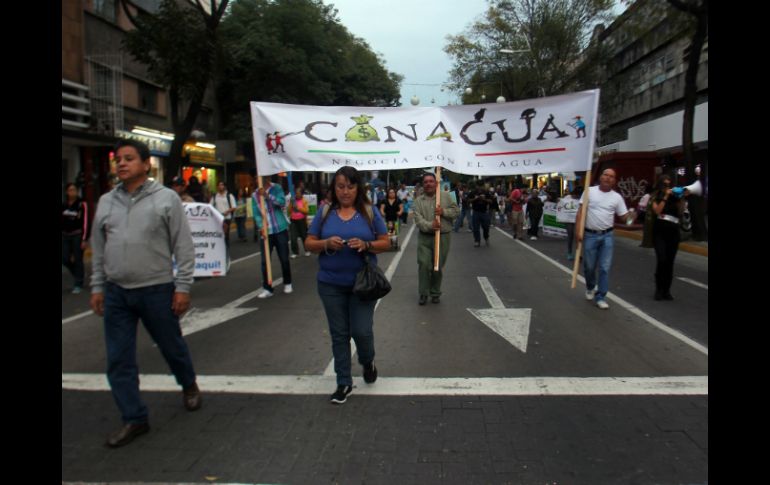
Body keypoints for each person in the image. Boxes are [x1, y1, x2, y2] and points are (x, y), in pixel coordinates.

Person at [89, 139, 201, 448]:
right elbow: (98, 248)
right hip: (116, 293)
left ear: (145, 164)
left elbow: (183, 245)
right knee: (118, 359)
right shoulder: (106, 202)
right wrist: (97, 286)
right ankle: (134, 417)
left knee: (171, 346)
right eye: (118, 159)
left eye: (128, 158)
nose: (121, 164)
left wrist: (182, 287)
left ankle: (188, 384)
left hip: (156, 289)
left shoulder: (166, 199)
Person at [304, 166, 390, 404]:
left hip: (363, 285)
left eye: (350, 186)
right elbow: (308, 243)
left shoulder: (369, 212)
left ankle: (367, 360)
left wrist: (366, 245)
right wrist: (325, 243)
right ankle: (343, 382)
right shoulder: (324, 212)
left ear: (357, 188)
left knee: (361, 331)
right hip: (330, 284)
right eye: (340, 186)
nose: (345, 191)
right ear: (334, 187)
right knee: (339, 334)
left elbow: (385, 242)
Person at [576, 168, 632, 310]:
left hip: (607, 236)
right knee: (589, 266)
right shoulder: (589, 191)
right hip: (590, 235)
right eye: (606, 175)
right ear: (600, 177)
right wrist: (578, 231)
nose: (608, 178)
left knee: (604, 268)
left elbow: (626, 219)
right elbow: (581, 212)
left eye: (611, 176)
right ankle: (590, 286)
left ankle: (600, 296)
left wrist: (632, 215)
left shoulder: (617, 198)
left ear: (614, 181)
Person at [412, 172, 460, 305]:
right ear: (423, 184)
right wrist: (430, 225)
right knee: (423, 264)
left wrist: (443, 212)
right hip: (425, 237)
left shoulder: (446, 197)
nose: (428, 184)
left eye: (431, 181)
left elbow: (456, 211)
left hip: (443, 236)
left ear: (436, 183)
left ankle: (435, 292)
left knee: (437, 266)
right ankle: (423, 293)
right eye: (426, 182)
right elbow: (418, 220)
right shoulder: (417, 201)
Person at [252, 175, 293, 298]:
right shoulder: (255, 195)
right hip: (266, 231)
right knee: (265, 262)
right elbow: (256, 213)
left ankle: (287, 282)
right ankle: (267, 288)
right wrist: (261, 226)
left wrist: (267, 195)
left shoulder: (277, 188)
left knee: (284, 258)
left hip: (280, 228)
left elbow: (281, 202)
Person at [651, 174, 686, 301]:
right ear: (660, 185)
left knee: (670, 262)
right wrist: (665, 196)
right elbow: (657, 211)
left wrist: (681, 198)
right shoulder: (656, 196)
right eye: (665, 184)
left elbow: (681, 212)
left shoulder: (675, 197)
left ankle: (667, 290)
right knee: (662, 259)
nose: (668, 186)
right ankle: (658, 289)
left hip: (673, 232)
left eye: (669, 184)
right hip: (660, 231)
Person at [62, 183, 90, 294]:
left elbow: (86, 222)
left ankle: (78, 283)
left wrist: (84, 238)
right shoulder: (64, 205)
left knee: (78, 259)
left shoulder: (81, 204)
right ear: (66, 192)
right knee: (64, 258)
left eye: (74, 190)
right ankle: (79, 274)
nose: (72, 192)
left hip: (77, 235)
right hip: (65, 235)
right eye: (70, 190)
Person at [556, 187, 581, 260]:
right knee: (570, 236)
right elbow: (561, 203)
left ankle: (578, 253)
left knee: (578, 236)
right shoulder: (567, 197)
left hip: (577, 220)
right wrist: (558, 200)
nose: (576, 197)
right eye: (575, 195)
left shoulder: (580, 198)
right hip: (568, 220)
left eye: (578, 196)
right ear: (573, 193)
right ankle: (569, 253)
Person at [210, 181, 237, 249]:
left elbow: (234, 207)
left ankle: (226, 248)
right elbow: (210, 206)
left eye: (222, 185)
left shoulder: (229, 195)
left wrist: (227, 211)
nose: (220, 186)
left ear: (224, 186)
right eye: (219, 185)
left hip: (227, 218)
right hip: (218, 218)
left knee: (225, 234)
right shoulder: (215, 196)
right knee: (218, 233)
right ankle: (220, 248)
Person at [288, 186, 311, 258]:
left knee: (304, 236)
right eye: (296, 193)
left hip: (302, 220)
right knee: (293, 237)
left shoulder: (304, 201)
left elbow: (307, 211)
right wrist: (291, 204)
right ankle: (295, 252)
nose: (297, 194)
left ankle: (307, 250)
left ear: (301, 194)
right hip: (293, 220)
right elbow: (289, 211)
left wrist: (299, 208)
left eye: (298, 193)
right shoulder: (292, 200)